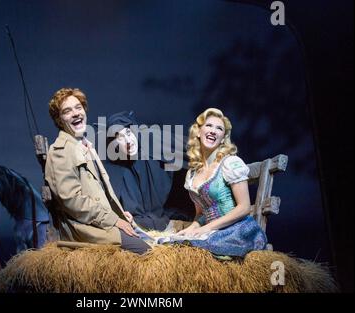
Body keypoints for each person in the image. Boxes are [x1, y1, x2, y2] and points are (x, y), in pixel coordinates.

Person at [44, 88, 151, 254]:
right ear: (59, 119)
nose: (75, 113)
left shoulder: (85, 145)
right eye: (67, 111)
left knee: (152, 240)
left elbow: (100, 192)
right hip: (85, 229)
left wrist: (120, 214)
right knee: (145, 250)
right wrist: (113, 220)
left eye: (78, 107)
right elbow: (73, 201)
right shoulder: (61, 151)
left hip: (99, 222)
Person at [169, 108, 267, 257]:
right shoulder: (192, 175)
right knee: (174, 243)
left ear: (223, 138)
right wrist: (192, 229)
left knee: (195, 250)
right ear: (198, 132)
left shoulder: (230, 163)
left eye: (219, 128)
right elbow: (201, 214)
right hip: (212, 232)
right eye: (209, 126)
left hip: (237, 231)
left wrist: (205, 230)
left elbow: (244, 207)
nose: (213, 131)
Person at [102, 111, 190, 231]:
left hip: (172, 207)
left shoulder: (154, 142)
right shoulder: (118, 169)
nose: (128, 141)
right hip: (141, 222)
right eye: (120, 138)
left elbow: (189, 147)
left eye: (128, 133)